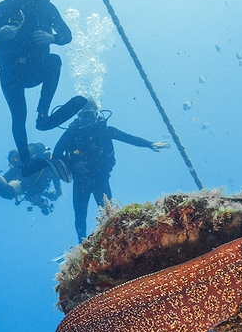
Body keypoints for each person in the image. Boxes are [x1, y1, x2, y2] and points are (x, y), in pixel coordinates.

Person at [0, 0, 87, 172]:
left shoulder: (46, 7)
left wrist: (52, 38)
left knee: (55, 60)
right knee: (18, 116)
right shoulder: (4, 7)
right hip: (11, 72)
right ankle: (26, 163)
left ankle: (44, 117)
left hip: (38, 68)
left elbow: (66, 36)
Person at [53, 100, 170, 240]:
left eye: (91, 114)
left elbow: (128, 138)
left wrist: (149, 144)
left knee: (109, 215)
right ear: (79, 116)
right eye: (85, 115)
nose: (88, 119)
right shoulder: (71, 134)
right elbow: (56, 155)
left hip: (100, 179)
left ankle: (113, 240)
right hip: (81, 181)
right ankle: (81, 243)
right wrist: (72, 164)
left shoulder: (106, 131)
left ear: (97, 114)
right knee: (80, 216)